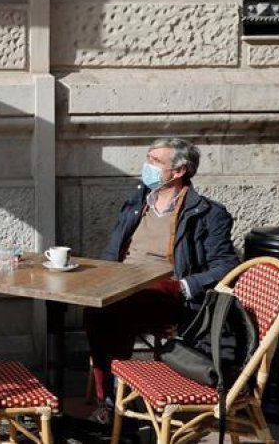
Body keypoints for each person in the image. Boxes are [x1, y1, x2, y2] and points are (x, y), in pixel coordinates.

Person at [85, 137, 240, 422]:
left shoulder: (208, 214)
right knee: (95, 308)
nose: (148, 167)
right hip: (122, 286)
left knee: (110, 310)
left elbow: (227, 266)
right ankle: (110, 392)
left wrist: (184, 287)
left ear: (179, 171)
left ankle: (114, 395)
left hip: (169, 296)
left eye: (156, 162)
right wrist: (99, 276)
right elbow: (114, 249)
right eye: (148, 158)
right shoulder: (136, 202)